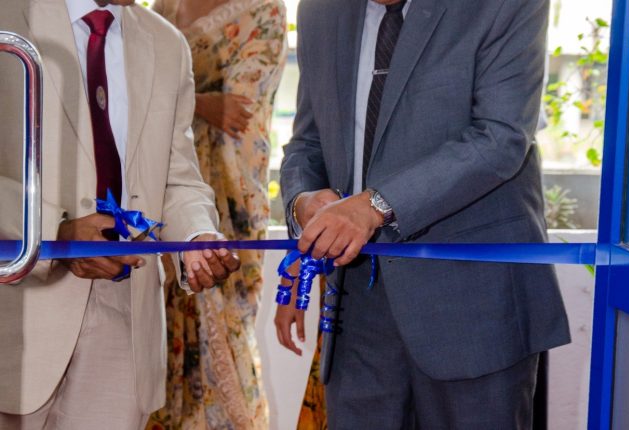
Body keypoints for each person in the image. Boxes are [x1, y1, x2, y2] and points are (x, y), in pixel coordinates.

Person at [278, 0, 571, 428]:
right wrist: (301, 201)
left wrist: (375, 205)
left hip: (474, 306)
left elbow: (501, 137)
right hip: (357, 309)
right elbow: (307, 141)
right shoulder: (321, 11)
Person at [0, 0, 240, 428]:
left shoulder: (167, 43)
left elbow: (176, 177)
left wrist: (196, 236)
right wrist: (55, 233)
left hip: (126, 316)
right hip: (17, 311)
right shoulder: (9, 16)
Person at [148, 0, 286, 428]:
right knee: (156, 325)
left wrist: (186, 102)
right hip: (159, 190)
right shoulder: (163, 6)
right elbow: (136, 89)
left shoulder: (265, 10)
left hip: (229, 196)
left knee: (227, 322)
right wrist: (202, 103)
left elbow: (238, 110)